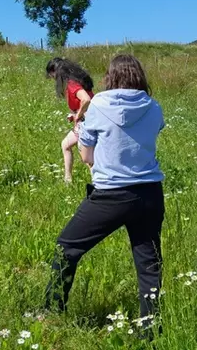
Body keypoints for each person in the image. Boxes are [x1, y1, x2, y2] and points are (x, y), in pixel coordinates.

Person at [45, 55, 165, 330]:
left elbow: (87, 155)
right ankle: (151, 328)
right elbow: (154, 131)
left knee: (67, 248)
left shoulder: (98, 105)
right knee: (149, 262)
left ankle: (52, 309)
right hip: (149, 193)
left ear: (111, 77)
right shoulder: (153, 106)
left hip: (111, 193)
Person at [45, 57, 94, 183]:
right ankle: (68, 179)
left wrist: (78, 115)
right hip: (87, 120)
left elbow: (86, 100)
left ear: (56, 72)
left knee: (87, 157)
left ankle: (98, 183)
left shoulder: (72, 85)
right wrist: (75, 115)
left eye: (52, 75)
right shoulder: (76, 81)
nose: (53, 79)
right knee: (65, 145)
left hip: (86, 124)